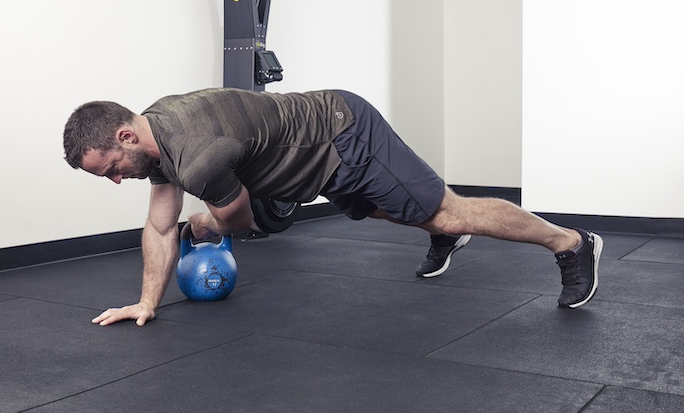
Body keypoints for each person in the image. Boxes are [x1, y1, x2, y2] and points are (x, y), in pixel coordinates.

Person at [62, 88, 602, 327]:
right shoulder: (159, 131)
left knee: (446, 209)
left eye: (108, 168)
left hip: (343, 133)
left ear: (126, 136)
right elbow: (160, 228)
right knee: (375, 210)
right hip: (316, 161)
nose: (114, 180)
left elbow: (243, 223)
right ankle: (436, 231)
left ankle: (572, 243)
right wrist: (145, 303)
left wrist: (206, 221)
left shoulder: (199, 155)